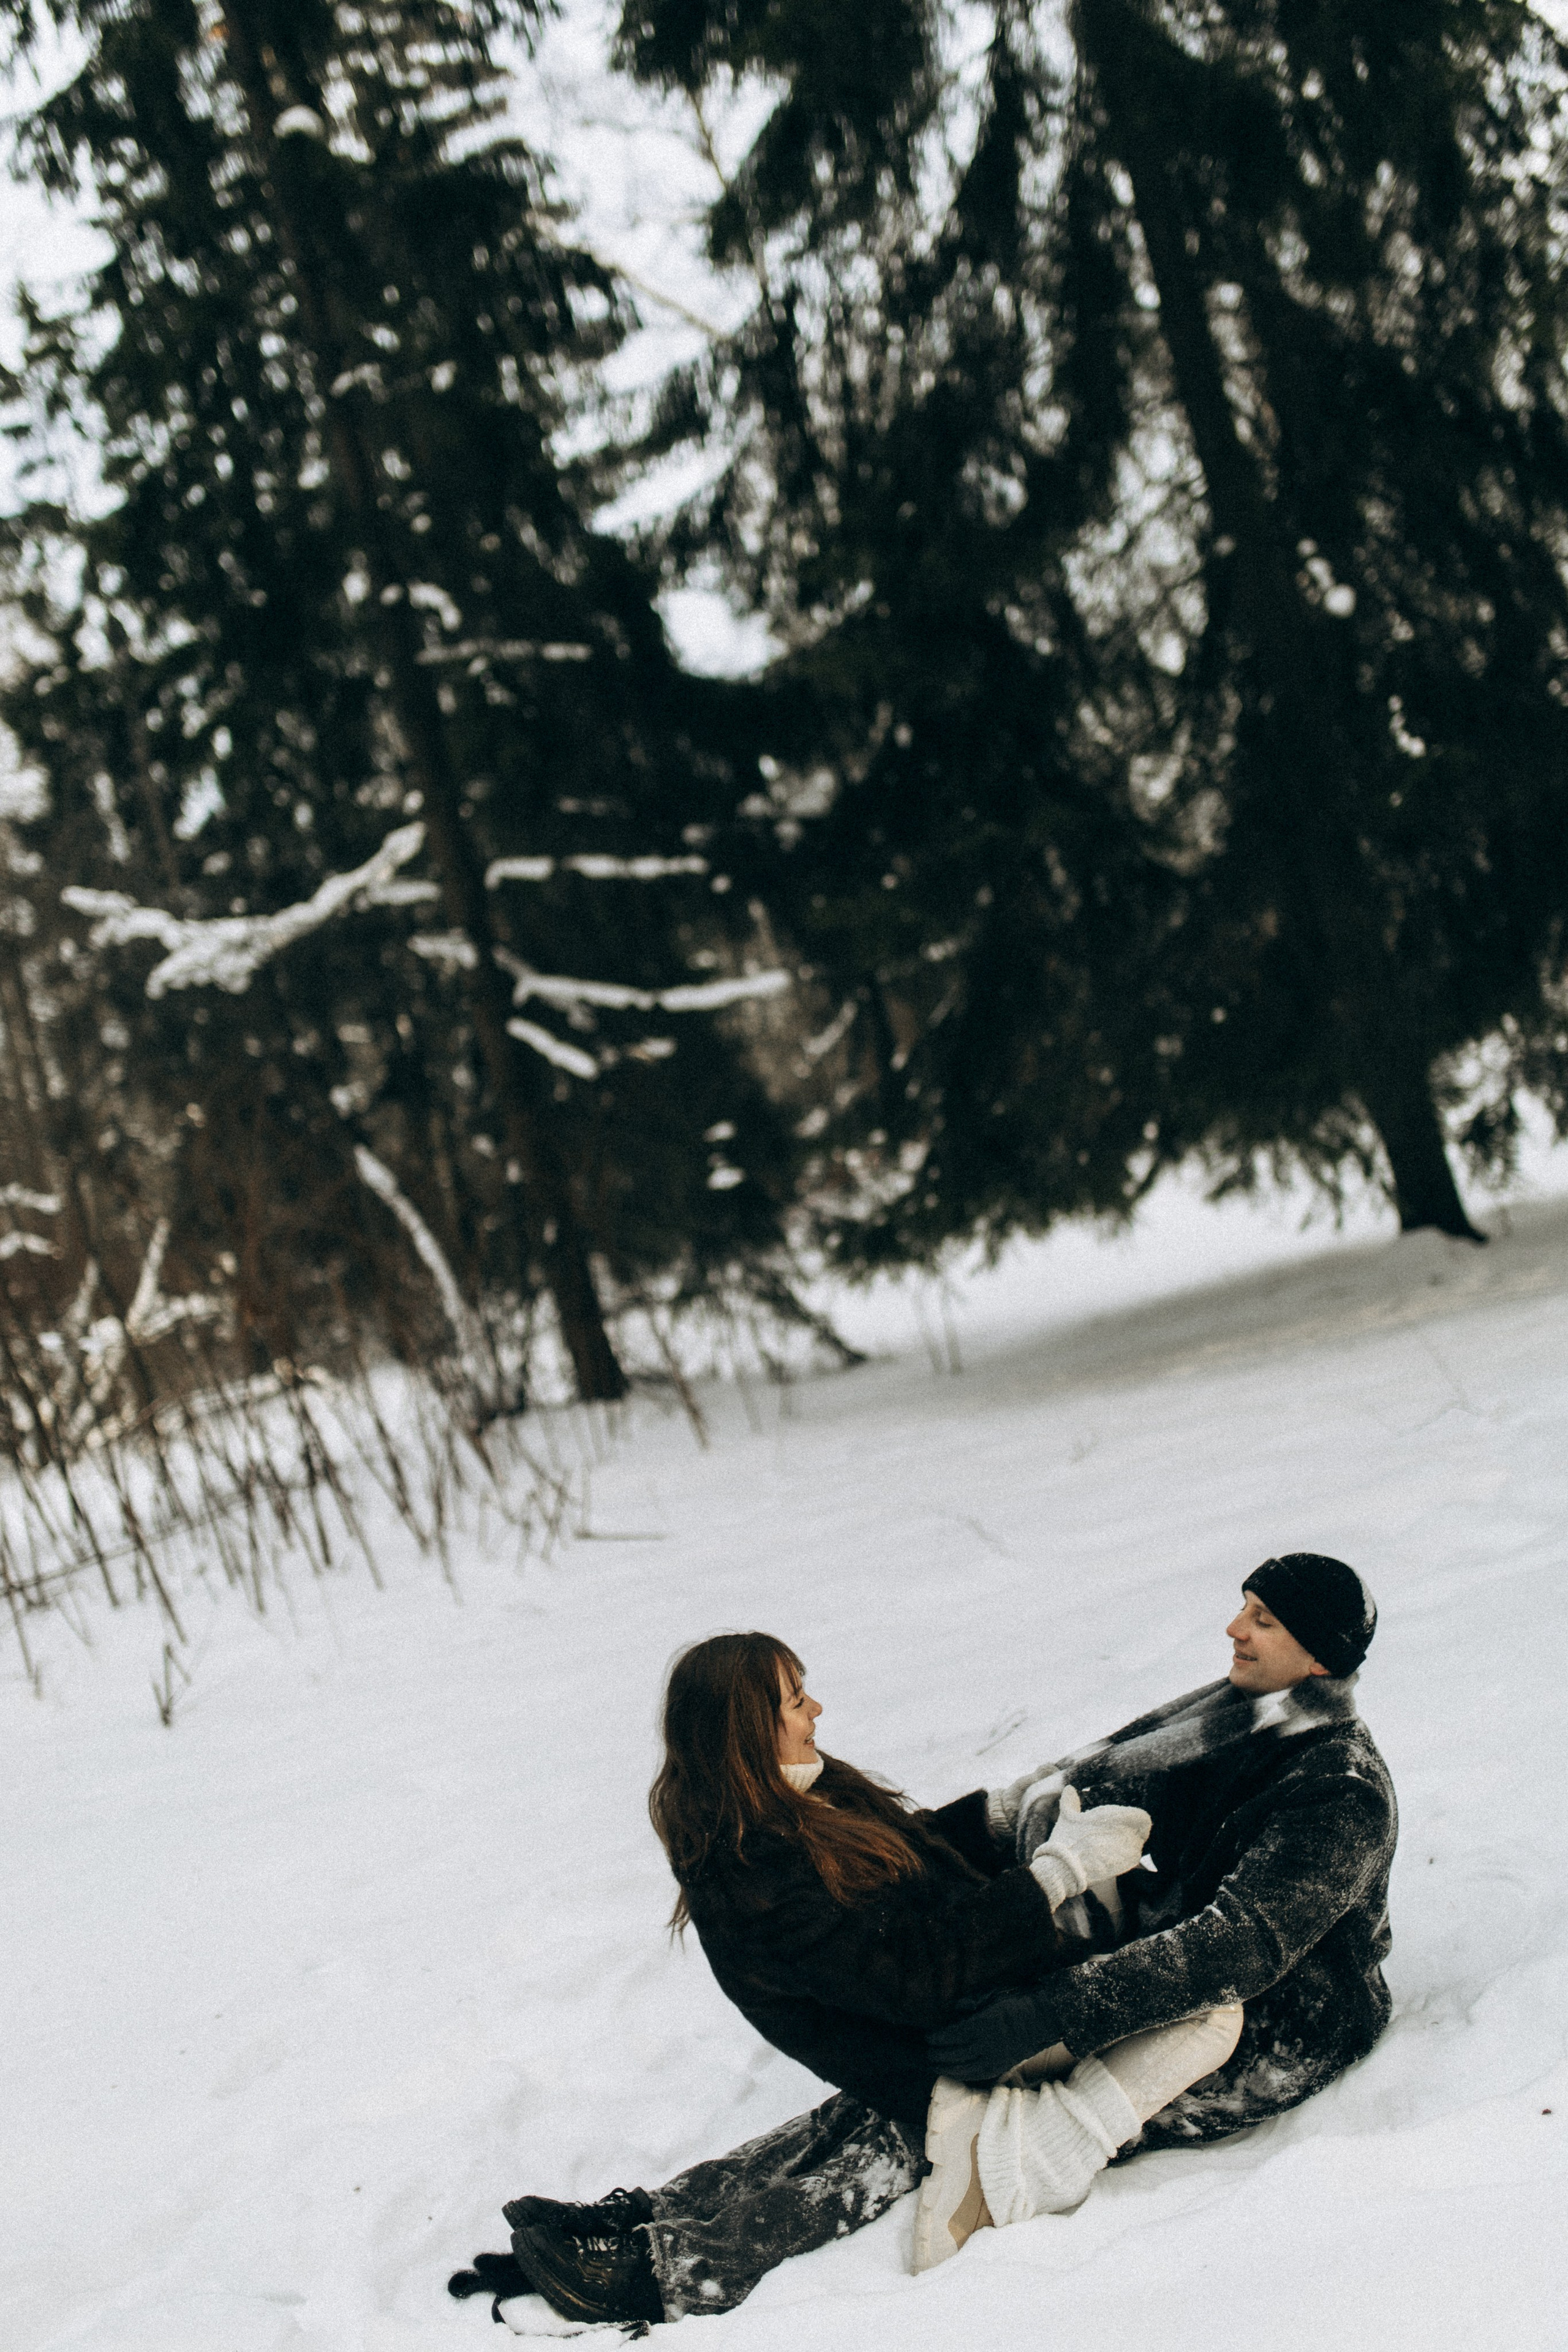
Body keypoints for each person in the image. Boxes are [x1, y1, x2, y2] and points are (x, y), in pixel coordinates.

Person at [450, 1630, 1238, 2327]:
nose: (816, 1708)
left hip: (920, 2037)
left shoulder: (800, 1795)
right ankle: (662, 2271)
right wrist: (1052, 1878)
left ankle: (646, 2218)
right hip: (938, 2040)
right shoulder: (755, 1870)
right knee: (881, 2152)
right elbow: (909, 1976)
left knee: (834, 2130)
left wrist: (1005, 1818)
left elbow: (905, 1862)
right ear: (747, 1734)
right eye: (795, 1700)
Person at [924, 1550, 1397, 2240]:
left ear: (1320, 1659)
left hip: (1284, 2022)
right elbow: (1103, 1793)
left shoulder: (1340, 1792)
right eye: (1244, 1607)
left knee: (997, 2093)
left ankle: (1013, 2164)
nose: (1234, 1628)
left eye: (1262, 1620)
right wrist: (920, 1840)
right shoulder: (1237, 1723)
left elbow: (1236, 1947)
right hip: (1190, 1957)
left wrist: (1052, 2012)